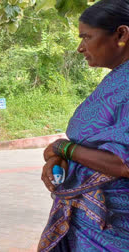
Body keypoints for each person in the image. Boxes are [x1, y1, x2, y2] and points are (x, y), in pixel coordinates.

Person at [39, 1, 129, 251]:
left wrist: (64, 149)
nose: (80, 48)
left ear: (121, 34)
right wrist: (60, 157)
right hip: (90, 222)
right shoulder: (117, 79)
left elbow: (124, 162)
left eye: (87, 37)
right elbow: (96, 145)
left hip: (115, 229)